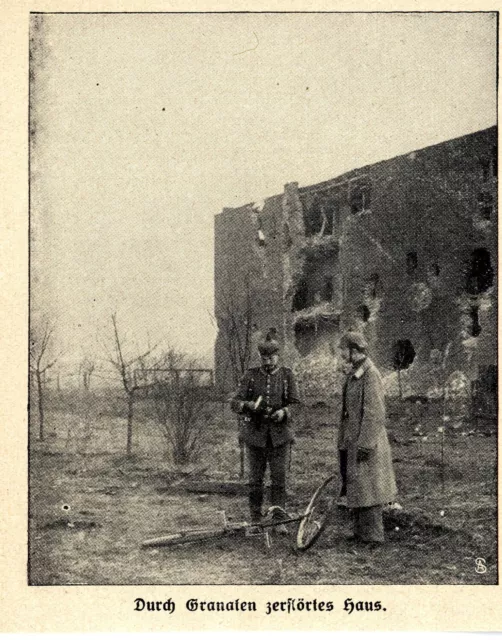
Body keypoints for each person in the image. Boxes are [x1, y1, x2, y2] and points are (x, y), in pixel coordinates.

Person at [231, 332, 301, 533]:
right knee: (255, 481)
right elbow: (235, 403)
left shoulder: (287, 376)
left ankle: (279, 521)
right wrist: (248, 405)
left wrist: (284, 412)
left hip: (280, 438)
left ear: (278, 356)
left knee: (279, 480)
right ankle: (255, 520)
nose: (268, 362)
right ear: (259, 358)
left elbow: (296, 404)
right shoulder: (251, 376)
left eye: (271, 358)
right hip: (255, 437)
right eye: (264, 359)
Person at [337, 331, 397, 545]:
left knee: (369, 487)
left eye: (343, 349)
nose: (341, 353)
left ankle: (373, 536)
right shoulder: (355, 373)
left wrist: (365, 444)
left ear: (354, 351)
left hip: (367, 442)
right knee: (357, 485)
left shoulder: (370, 374)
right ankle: (360, 533)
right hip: (353, 440)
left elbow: (375, 413)